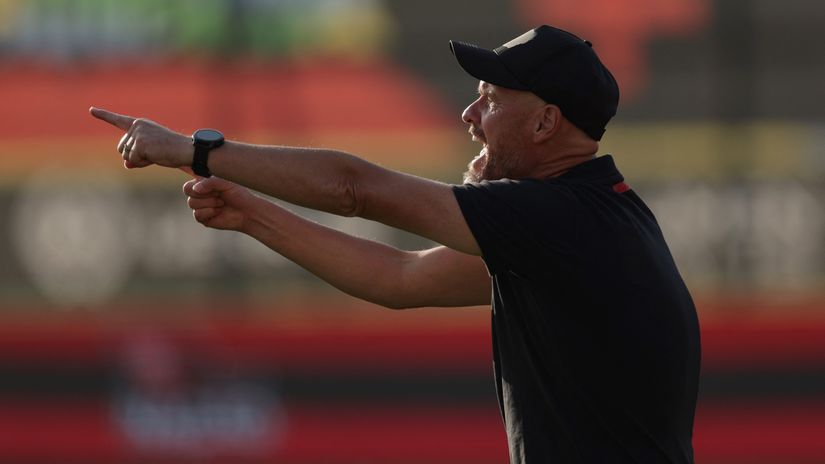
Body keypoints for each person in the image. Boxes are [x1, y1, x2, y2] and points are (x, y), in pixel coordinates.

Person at [91, 25, 700, 464]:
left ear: (545, 123)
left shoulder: (560, 218)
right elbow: (400, 278)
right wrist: (252, 215)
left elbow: (355, 189)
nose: (469, 114)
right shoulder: (587, 220)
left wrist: (194, 149)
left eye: (490, 100)